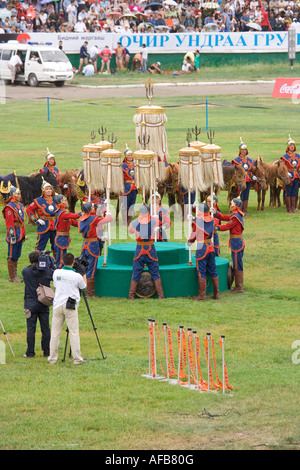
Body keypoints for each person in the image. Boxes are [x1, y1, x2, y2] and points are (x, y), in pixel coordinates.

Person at [48, 252, 87, 365]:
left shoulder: (56, 273)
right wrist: (83, 273)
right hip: (71, 305)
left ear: (62, 262)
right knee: (74, 332)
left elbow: (56, 285)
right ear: (73, 263)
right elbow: (84, 288)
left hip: (58, 304)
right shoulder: (77, 276)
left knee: (55, 333)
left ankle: (52, 358)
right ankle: (77, 358)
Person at [128, 204, 164, 300]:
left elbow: (130, 231)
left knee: (136, 272)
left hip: (139, 249)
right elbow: (159, 222)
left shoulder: (135, 223)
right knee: (155, 272)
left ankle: (131, 296)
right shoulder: (153, 221)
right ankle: (161, 296)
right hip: (150, 248)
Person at [22, 251, 54, 358]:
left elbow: (28, 268)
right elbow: (54, 273)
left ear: (30, 261)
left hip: (30, 304)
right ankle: (47, 351)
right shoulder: (47, 271)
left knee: (31, 329)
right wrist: (50, 263)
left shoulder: (26, 271)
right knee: (45, 329)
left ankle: (30, 352)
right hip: (43, 303)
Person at [78, 201, 113, 297]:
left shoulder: (81, 219)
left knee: (83, 267)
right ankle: (90, 293)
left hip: (85, 243)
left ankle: (82, 290)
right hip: (92, 244)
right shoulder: (93, 219)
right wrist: (108, 214)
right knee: (91, 268)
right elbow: (109, 219)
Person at [187, 203, 219, 301]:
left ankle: (202, 295)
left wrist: (189, 242)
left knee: (201, 271)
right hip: (210, 247)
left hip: (202, 248)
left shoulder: (198, 222)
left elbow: (193, 235)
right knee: (213, 270)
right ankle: (216, 294)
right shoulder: (212, 220)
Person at [215, 197, 245, 293]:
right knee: (236, 262)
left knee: (237, 263)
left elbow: (227, 226)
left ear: (235, 206)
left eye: (232, 204)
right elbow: (225, 217)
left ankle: (239, 287)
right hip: (235, 241)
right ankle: (238, 286)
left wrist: (216, 227)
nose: (230, 205)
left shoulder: (236, 217)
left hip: (236, 242)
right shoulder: (235, 215)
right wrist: (216, 213)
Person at [26, 181, 59, 254]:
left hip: (55, 225)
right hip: (44, 225)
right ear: (43, 191)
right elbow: (29, 209)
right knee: (40, 246)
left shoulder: (56, 199)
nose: (49, 191)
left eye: (50, 189)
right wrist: (36, 220)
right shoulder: (38, 200)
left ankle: (56, 263)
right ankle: (36, 263)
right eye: (46, 189)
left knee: (56, 246)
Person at [2, 186, 26, 282]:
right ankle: (12, 277)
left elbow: (22, 221)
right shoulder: (9, 207)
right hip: (14, 233)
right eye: (18, 194)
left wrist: (23, 232)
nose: (20, 196)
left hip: (20, 231)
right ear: (13, 195)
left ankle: (15, 275)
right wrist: (12, 236)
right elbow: (9, 223)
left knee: (17, 254)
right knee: (12, 255)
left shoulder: (19, 205)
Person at [53, 194, 80, 268]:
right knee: (61, 258)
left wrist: (87, 223)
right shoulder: (63, 213)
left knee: (63, 256)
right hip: (61, 238)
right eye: (65, 201)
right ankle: (58, 273)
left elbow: (74, 223)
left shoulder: (64, 213)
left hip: (63, 238)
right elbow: (74, 216)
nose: (67, 202)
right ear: (62, 202)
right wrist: (83, 214)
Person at [231, 138, 255, 215]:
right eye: (242, 150)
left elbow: (251, 169)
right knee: (240, 194)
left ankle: (245, 210)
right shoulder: (236, 160)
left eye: (245, 150)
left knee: (246, 194)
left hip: (247, 179)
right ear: (240, 151)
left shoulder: (249, 160)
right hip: (240, 180)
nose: (244, 151)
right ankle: (239, 210)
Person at [281, 136, 300, 213]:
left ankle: (293, 208)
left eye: (293, 145)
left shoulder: (298, 156)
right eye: (290, 145)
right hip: (288, 176)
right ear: (288, 147)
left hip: (296, 175)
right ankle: (289, 209)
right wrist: (286, 173)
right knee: (288, 192)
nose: (292, 147)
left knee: (295, 192)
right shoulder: (284, 157)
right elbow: (282, 167)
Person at [119, 146, 137, 226]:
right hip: (126, 187)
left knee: (132, 205)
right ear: (125, 157)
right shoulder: (123, 165)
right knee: (125, 205)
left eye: (131, 155)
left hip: (134, 187)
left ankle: (129, 220)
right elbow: (120, 177)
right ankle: (124, 221)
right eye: (128, 155)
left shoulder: (135, 165)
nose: (130, 157)